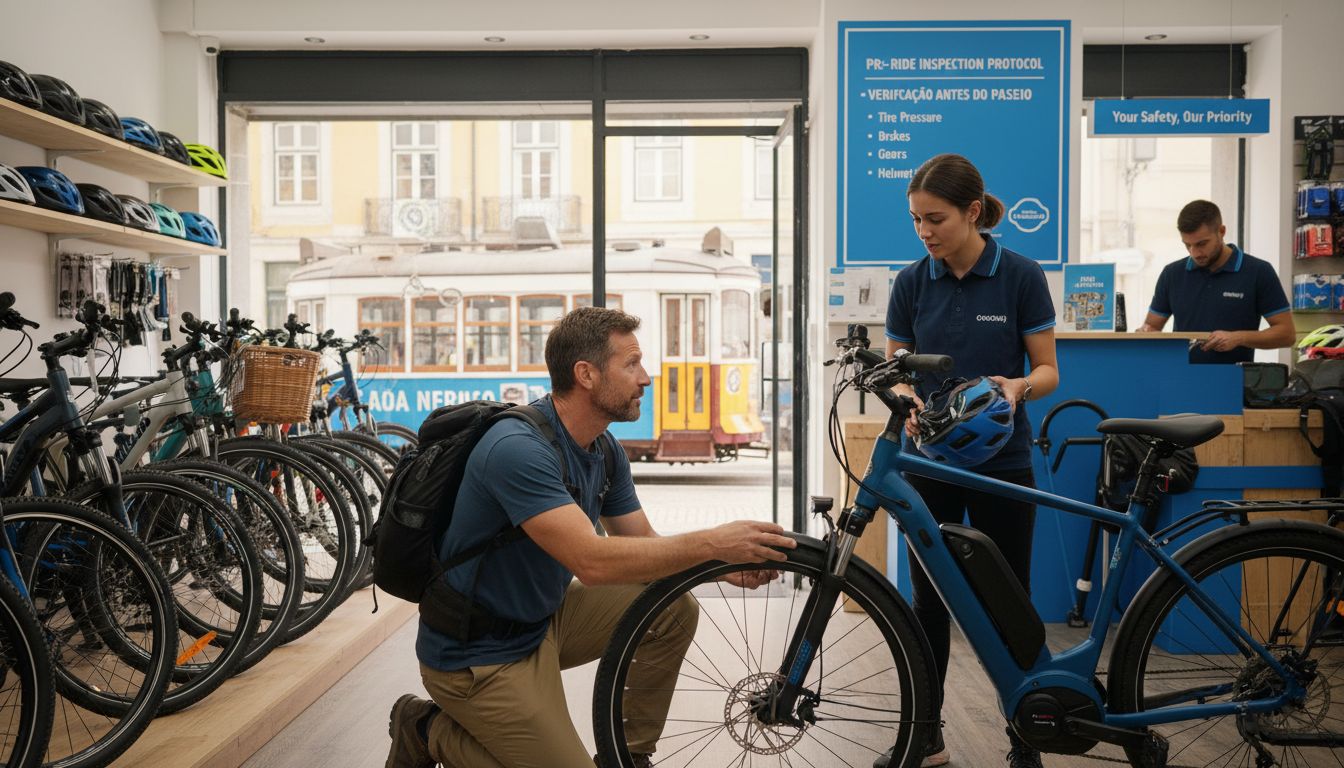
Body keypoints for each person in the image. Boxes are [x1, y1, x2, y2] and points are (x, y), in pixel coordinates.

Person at [385, 306, 794, 768]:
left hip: (542, 621)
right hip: (476, 655)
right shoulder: (517, 449)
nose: (646, 378)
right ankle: (425, 729)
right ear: (586, 374)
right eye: (631, 364)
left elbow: (641, 540)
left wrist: (722, 566)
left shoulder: (602, 448)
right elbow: (593, 562)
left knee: (672, 608)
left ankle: (627, 757)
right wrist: (713, 543)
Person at [880, 153, 1060, 768]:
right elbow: (897, 367)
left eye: (935, 219)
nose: (924, 231)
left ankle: (1026, 740)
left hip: (1003, 464)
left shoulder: (1021, 275)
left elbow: (1048, 371)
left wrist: (1018, 387)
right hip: (928, 464)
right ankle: (925, 736)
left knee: (1012, 601)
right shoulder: (911, 282)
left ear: (973, 212)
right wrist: (903, 397)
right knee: (928, 602)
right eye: (916, 220)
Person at [1136, 199, 1294, 364]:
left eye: (1202, 244)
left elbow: (1286, 334)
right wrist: (1144, 333)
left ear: (1222, 231)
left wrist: (1238, 338)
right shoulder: (1171, 274)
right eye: (1187, 245)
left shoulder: (1258, 271)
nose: (1195, 253)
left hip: (1234, 378)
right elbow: (1151, 327)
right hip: (1181, 376)